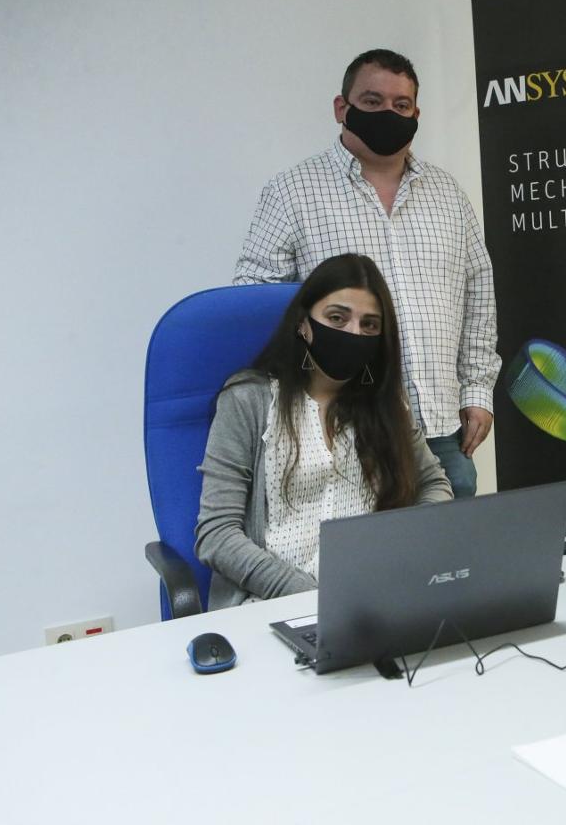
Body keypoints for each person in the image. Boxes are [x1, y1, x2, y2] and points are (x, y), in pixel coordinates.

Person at [233, 48, 500, 499]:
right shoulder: (292, 192)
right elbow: (252, 299)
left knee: (452, 568)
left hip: (439, 436)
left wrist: (477, 391)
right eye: (372, 102)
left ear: (417, 113)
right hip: (339, 432)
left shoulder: (448, 194)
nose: (388, 114)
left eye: (401, 106)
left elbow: (479, 298)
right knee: (357, 567)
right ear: (343, 108)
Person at [196, 253, 453, 608]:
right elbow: (217, 535)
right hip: (271, 604)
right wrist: (308, 597)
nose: (353, 333)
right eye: (337, 318)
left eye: (369, 325)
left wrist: (403, 549)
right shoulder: (248, 400)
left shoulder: (386, 404)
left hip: (372, 602)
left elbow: (434, 484)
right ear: (303, 323)